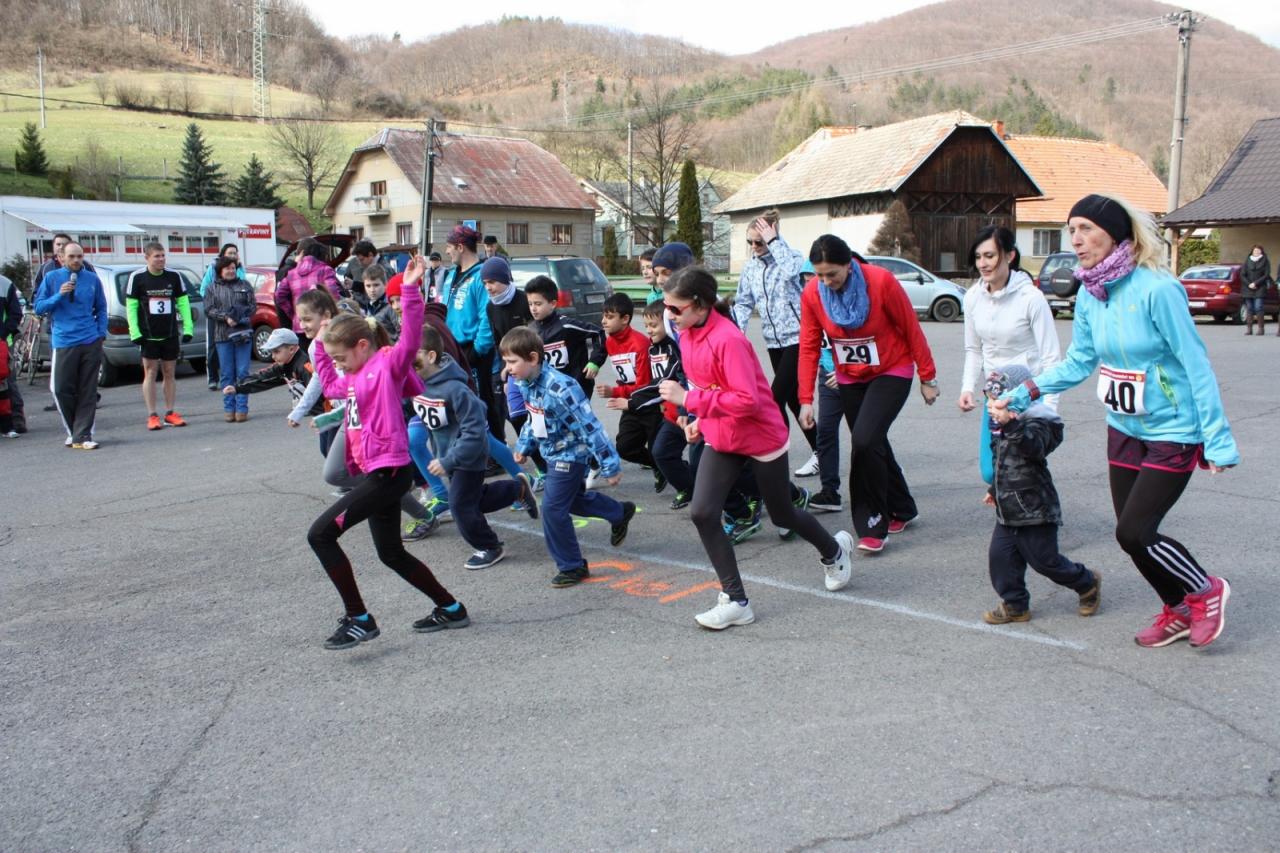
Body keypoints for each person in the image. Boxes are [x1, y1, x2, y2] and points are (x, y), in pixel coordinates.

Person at [992, 193, 1239, 649]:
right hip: (1124, 427)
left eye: (1086, 229)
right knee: (1131, 537)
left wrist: (1217, 439)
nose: (1076, 239)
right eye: (1071, 230)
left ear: (1116, 233)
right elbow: (1079, 362)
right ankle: (1178, 609)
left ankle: (1205, 590)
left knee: (1135, 530)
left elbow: (1196, 364)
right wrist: (1024, 392)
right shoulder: (1092, 292)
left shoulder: (1158, 289)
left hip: (1173, 429)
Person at [657, 266, 853, 630]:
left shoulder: (728, 339)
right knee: (703, 513)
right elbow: (708, 387)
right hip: (724, 435)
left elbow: (746, 400)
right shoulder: (686, 333)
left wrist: (689, 400)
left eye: (674, 308)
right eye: (666, 306)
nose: (668, 314)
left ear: (699, 305)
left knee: (783, 515)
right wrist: (698, 419)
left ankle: (834, 551)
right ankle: (736, 601)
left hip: (760, 434)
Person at [307, 256, 467, 650]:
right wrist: (322, 349)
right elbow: (329, 385)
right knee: (391, 553)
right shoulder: (352, 377)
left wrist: (410, 290)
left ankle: (359, 619)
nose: (339, 365)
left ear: (362, 345)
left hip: (390, 473)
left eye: (342, 357)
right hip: (375, 474)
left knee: (320, 535)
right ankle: (451, 608)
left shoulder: (386, 366)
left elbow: (410, 338)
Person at [798, 235, 939, 553]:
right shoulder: (813, 293)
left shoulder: (881, 282)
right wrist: (806, 399)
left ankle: (873, 522)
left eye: (832, 274)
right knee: (873, 441)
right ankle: (903, 508)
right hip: (850, 377)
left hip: (892, 370)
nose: (825, 281)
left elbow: (911, 328)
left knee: (863, 441)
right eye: (819, 274)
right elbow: (808, 346)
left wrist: (928, 377)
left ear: (849, 265)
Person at [502, 326, 635, 588]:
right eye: (505, 362)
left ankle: (572, 566)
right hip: (553, 452)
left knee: (552, 509)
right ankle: (619, 513)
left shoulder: (561, 389)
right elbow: (534, 417)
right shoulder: (526, 382)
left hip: (571, 454)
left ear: (533, 358)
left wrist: (610, 465)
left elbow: (590, 426)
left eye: (512, 362)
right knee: (572, 501)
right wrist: (524, 445)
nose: (507, 368)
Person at [981, 365, 1101, 624]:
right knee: (1000, 558)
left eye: (996, 401)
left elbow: (1033, 448)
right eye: (989, 401)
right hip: (1007, 506)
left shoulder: (1041, 422)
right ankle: (1015, 604)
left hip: (1035, 507)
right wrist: (995, 489)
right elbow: (1001, 460)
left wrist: (1011, 424)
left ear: (1016, 398)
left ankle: (1086, 582)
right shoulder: (1000, 425)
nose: (990, 407)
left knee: (1045, 561)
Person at [415, 324, 539, 570]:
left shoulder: (456, 390)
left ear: (431, 356)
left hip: (468, 455)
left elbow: (475, 430)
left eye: (412, 354)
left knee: (460, 505)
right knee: (474, 500)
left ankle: (490, 546)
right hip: (447, 455)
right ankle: (518, 489)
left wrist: (449, 460)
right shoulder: (417, 384)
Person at [958, 225, 1061, 487]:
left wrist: (1048, 411)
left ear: (1009, 255)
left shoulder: (1031, 298)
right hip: (995, 396)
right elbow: (974, 349)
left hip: (1028, 396)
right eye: (978, 257)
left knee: (1022, 467)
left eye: (990, 255)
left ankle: (1035, 509)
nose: (983, 263)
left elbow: (1051, 358)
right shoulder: (972, 297)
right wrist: (967, 387)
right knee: (991, 470)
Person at [730, 209, 819, 476]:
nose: (754, 247)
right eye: (750, 242)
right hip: (773, 341)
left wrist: (775, 242)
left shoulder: (791, 257)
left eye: (759, 241)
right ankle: (822, 452)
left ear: (772, 237)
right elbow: (743, 302)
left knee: (773, 398)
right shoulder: (751, 267)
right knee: (793, 400)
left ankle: (773, 456)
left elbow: (794, 272)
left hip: (798, 338)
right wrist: (736, 334)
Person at [33, 242, 106, 449]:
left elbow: (101, 307)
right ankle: (74, 431)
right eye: (72, 256)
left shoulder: (92, 279)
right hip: (64, 341)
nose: (76, 260)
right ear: (62, 257)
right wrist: (59, 295)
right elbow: (39, 307)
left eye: (79, 256)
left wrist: (100, 333)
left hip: (90, 339)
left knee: (87, 390)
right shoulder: (52, 278)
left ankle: (84, 435)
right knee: (60, 389)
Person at [627, 300, 694, 508]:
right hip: (671, 414)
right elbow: (651, 382)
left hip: (691, 412)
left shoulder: (676, 348)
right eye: (646, 326)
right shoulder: (652, 349)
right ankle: (688, 487)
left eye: (654, 325)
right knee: (660, 453)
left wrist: (631, 401)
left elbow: (665, 381)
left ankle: (751, 494)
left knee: (713, 461)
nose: (649, 330)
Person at [596, 293, 663, 489]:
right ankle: (658, 466)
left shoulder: (640, 344)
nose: (603, 321)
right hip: (630, 403)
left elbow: (644, 384)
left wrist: (615, 392)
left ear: (625, 319)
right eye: (603, 316)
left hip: (650, 404)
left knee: (659, 449)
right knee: (625, 448)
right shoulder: (610, 342)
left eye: (610, 317)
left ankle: (675, 471)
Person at [126, 243, 194, 431]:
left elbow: (183, 303)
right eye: (157, 256)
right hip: (148, 335)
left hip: (170, 333)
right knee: (150, 372)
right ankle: (152, 415)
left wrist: (188, 328)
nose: (161, 259)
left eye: (163, 255)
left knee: (169, 372)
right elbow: (131, 307)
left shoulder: (174, 276)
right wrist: (134, 332)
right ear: (147, 257)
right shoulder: (137, 277)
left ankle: (170, 412)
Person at [440, 226, 499, 439]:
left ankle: (495, 450)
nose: (447, 251)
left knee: (482, 404)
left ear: (460, 247)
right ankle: (469, 446)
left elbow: (487, 315)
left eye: (449, 247)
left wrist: (478, 349)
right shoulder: (450, 275)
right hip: (453, 348)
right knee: (461, 405)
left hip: (474, 350)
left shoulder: (482, 276)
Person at [204, 256, 256, 423]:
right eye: (227, 268)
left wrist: (238, 317)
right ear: (220, 271)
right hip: (222, 335)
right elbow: (208, 310)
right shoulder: (212, 288)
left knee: (243, 372)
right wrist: (225, 317)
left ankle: (242, 408)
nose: (231, 271)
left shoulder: (245, 285)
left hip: (243, 334)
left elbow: (253, 307)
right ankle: (229, 408)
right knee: (227, 373)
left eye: (233, 268)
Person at [275, 237, 343, 346]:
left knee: (305, 356)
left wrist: (294, 313)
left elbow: (279, 296)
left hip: (299, 325)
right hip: (321, 325)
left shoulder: (292, 273)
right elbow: (333, 294)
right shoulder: (325, 270)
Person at [200, 243, 245, 391]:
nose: (232, 255)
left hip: (234, 313)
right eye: (229, 253)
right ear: (223, 255)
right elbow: (203, 289)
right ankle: (213, 378)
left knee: (235, 342)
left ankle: (233, 378)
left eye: (234, 253)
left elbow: (243, 287)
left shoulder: (239, 268)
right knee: (213, 345)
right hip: (216, 313)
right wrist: (214, 304)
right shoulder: (213, 268)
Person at [0, 271, 24, 433]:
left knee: (8, 382)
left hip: (2, 344)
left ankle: (16, 420)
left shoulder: (4, 284)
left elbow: (16, 314)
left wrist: (2, 334)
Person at [1241, 244, 1271, 336]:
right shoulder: (1247, 260)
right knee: (1249, 308)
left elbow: (1266, 275)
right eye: (1255, 250)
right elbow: (1242, 274)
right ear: (1252, 251)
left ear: (1261, 252)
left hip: (1260, 287)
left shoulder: (1265, 261)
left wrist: (1255, 283)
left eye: (1258, 250)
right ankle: (1249, 329)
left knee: (1258, 307)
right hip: (1248, 288)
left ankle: (1261, 329)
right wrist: (1249, 284)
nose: (1256, 252)